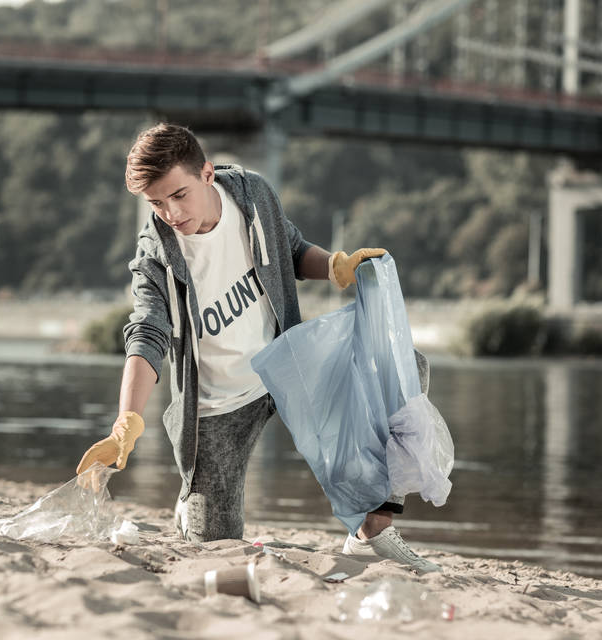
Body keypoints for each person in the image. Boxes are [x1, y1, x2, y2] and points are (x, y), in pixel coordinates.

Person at [76, 123, 439, 572]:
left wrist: (336, 266)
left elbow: (291, 248)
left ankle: (371, 533)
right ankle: (192, 505)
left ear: (207, 173)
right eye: (155, 202)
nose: (171, 212)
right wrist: (126, 421)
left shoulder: (253, 196)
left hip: (288, 365)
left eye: (179, 194)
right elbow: (147, 332)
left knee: (404, 369)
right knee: (216, 544)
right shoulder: (157, 255)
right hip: (217, 405)